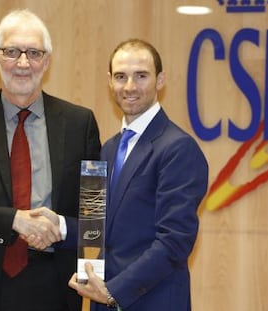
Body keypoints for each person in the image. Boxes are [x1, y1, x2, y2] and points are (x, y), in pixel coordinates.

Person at [0, 8, 101, 311]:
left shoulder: (80, 124)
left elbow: (94, 214)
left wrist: (59, 227)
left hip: (54, 287)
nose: (23, 63)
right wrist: (16, 221)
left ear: (47, 62)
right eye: (12, 51)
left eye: (34, 53)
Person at [69, 39, 208, 311]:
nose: (130, 87)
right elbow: (100, 226)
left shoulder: (178, 148)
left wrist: (113, 291)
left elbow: (174, 241)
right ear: (110, 81)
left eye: (141, 76)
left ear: (160, 80)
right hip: (104, 300)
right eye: (121, 77)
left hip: (152, 302)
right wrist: (58, 226)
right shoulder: (109, 148)